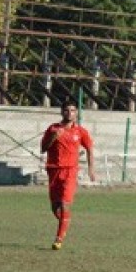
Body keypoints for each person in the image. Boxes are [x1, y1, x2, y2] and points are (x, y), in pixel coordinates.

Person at [40, 100, 96, 250]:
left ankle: (58, 239)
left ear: (76, 113)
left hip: (70, 171)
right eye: (67, 110)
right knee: (55, 208)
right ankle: (65, 222)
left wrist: (91, 169)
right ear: (62, 112)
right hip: (53, 170)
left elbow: (90, 148)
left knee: (65, 203)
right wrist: (53, 137)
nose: (69, 113)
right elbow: (43, 148)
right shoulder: (53, 128)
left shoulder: (80, 131)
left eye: (72, 110)